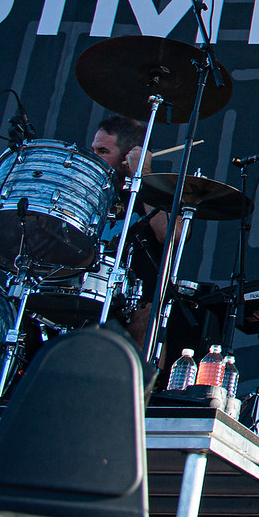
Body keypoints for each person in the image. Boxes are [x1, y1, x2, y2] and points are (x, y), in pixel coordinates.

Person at [90, 114, 166, 346]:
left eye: (103, 152)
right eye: (93, 150)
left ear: (128, 156)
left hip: (135, 302)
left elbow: (172, 235)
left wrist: (142, 172)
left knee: (149, 317)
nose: (94, 157)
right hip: (85, 289)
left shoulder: (156, 192)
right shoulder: (88, 194)